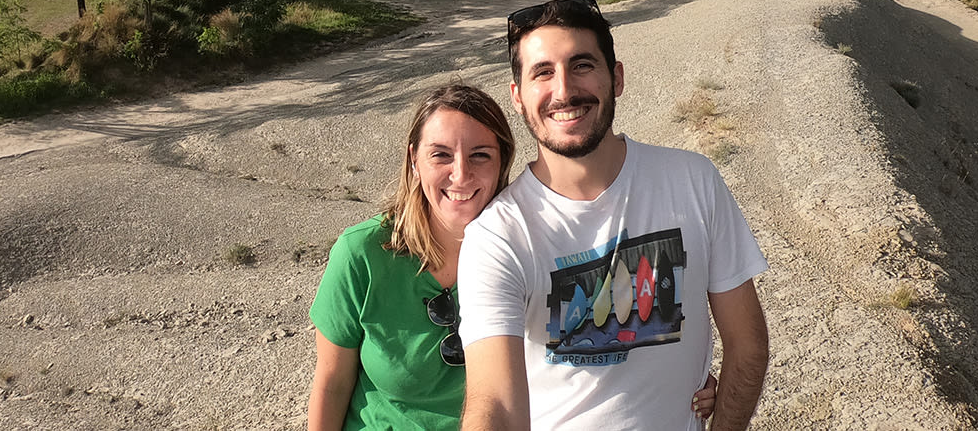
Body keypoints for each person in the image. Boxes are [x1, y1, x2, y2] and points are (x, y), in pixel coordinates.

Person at [307, 82, 720, 430]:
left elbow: (603, 331)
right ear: (414, 161)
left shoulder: (529, 242)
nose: (461, 174)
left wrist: (680, 373)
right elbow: (331, 384)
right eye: (440, 155)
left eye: (480, 155)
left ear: (504, 161)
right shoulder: (362, 254)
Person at [458, 0, 770, 431]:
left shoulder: (692, 181)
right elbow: (493, 402)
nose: (564, 90)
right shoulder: (498, 236)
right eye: (543, 72)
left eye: (582, 65)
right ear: (518, 97)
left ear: (616, 77)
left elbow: (747, 344)